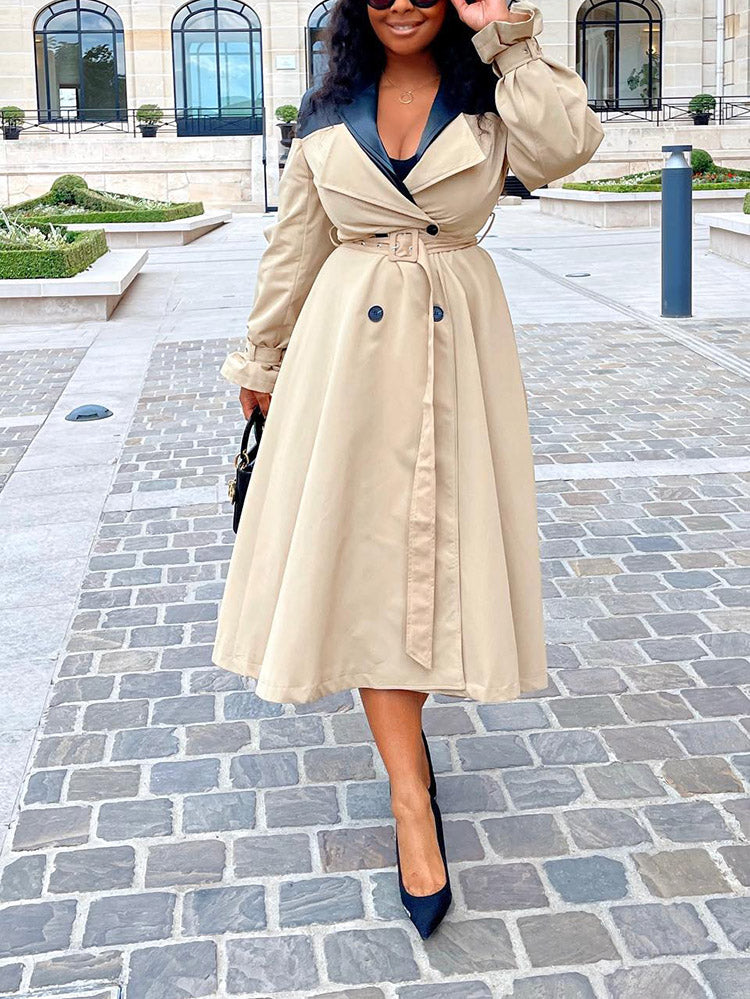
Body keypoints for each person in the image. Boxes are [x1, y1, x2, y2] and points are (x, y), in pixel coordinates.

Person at [213, 0, 604, 938]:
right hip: (345, 361)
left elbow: (567, 148)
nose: (400, 2)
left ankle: (409, 763)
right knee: (368, 567)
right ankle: (409, 799)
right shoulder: (326, 105)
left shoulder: (494, 93)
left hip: (456, 349)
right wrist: (262, 357)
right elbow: (295, 244)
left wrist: (504, 34)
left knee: (432, 556)